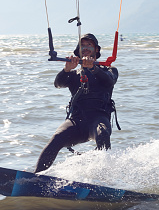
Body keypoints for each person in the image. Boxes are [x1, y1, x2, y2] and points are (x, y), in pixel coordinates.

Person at [34, 33, 119, 173]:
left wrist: (93, 68)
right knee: (57, 138)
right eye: (82, 45)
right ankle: (36, 177)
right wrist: (66, 69)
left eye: (89, 45)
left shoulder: (109, 70)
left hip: (98, 119)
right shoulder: (74, 74)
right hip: (76, 121)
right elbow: (58, 84)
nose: (85, 48)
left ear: (96, 50)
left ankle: (104, 178)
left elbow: (109, 81)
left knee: (103, 134)